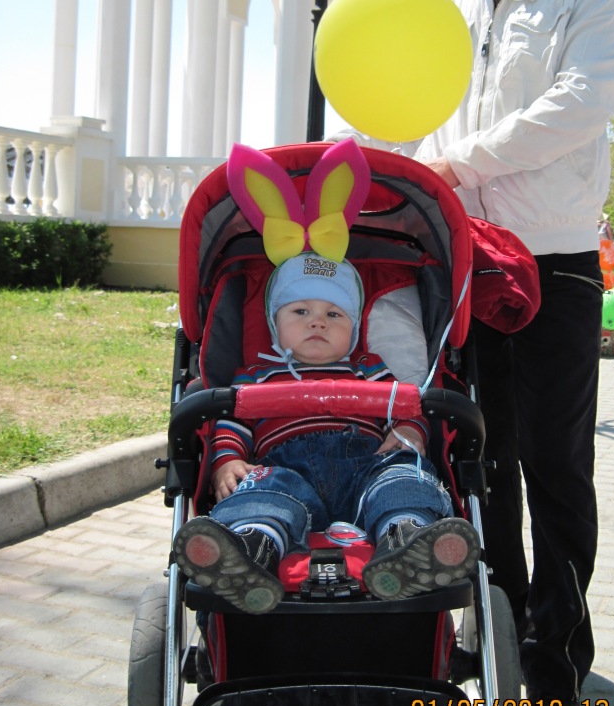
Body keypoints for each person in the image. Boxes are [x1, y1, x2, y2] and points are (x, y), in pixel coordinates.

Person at [330, 0, 614, 706]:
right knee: (477, 461)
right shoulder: (441, 8)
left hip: (551, 262)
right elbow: (396, 111)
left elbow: (579, 105)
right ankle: (497, 638)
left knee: (554, 466)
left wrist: (459, 163)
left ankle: (555, 667)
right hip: (453, 260)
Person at [174, 253, 480, 615]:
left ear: (353, 330)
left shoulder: (369, 369)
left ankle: (405, 538)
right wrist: (228, 461)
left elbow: (406, 408)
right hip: (285, 471)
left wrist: (408, 429)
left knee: (402, 475)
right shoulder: (255, 375)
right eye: (300, 311)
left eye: (334, 315)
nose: (317, 322)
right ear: (274, 323)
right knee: (261, 488)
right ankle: (251, 550)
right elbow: (231, 424)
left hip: (367, 467)